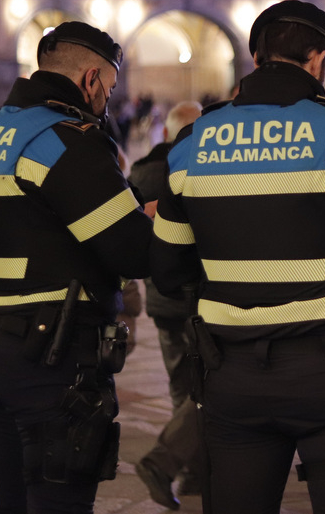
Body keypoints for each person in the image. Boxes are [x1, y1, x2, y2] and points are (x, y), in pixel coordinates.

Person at [150, 0, 325, 514]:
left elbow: (167, 272)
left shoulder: (192, 143)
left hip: (229, 376)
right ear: (319, 58)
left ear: (255, 57)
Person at [0, 21, 153, 513]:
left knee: (14, 502)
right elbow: (134, 254)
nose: (107, 100)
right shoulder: (67, 139)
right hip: (52, 361)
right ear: (90, 81)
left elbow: (37, 218)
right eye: (109, 87)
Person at [129, 100, 205, 510]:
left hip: (161, 298)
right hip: (195, 298)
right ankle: (180, 466)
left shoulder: (141, 170)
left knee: (181, 385)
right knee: (207, 386)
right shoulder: (198, 166)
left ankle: (191, 470)